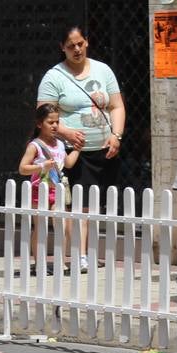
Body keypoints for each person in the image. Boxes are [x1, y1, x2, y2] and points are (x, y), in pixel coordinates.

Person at [37, 24, 126, 272]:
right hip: (73, 151)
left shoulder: (102, 70)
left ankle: (88, 251)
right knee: (81, 205)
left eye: (80, 44)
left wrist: (116, 135)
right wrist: (64, 131)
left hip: (104, 147)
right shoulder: (54, 76)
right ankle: (81, 255)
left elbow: (116, 106)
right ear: (62, 48)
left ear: (86, 41)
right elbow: (44, 113)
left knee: (96, 204)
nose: (77, 50)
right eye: (70, 46)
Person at [18, 103, 78, 272]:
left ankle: (61, 261)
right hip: (40, 190)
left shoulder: (59, 144)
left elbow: (67, 163)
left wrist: (78, 150)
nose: (54, 126)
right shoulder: (35, 145)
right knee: (41, 226)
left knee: (62, 225)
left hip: (57, 189)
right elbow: (23, 168)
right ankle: (39, 263)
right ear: (39, 124)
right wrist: (42, 166)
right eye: (50, 122)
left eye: (57, 122)